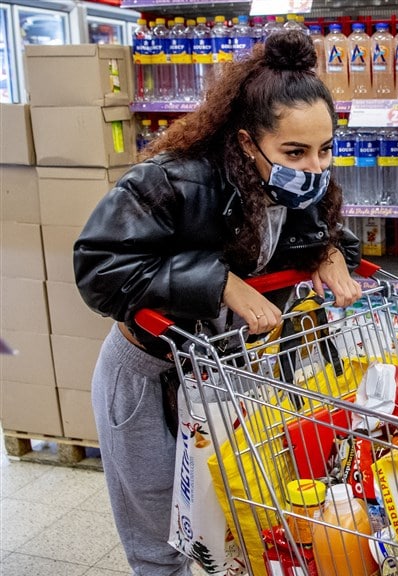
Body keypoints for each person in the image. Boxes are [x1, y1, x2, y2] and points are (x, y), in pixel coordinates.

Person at [73, 31, 362, 576]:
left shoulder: (300, 189)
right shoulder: (171, 180)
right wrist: (221, 282)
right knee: (160, 539)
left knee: (232, 528)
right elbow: (99, 269)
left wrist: (330, 253)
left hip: (227, 376)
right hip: (149, 377)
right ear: (248, 142)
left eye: (325, 149)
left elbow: (325, 236)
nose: (314, 168)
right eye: (295, 152)